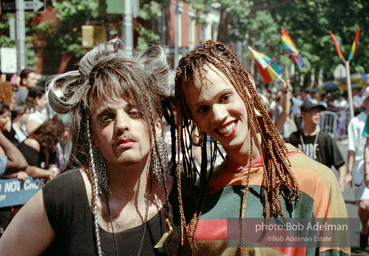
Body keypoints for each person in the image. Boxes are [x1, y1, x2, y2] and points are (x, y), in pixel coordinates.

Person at [0, 39, 181, 255]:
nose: (121, 125)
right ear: (93, 137)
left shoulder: (183, 198)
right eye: (106, 117)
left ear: (157, 126)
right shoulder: (67, 196)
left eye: (134, 112)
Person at [173, 40, 350, 255]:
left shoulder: (316, 180)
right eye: (203, 109)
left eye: (225, 97)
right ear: (195, 119)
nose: (218, 115)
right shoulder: (203, 189)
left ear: (247, 87)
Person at [288, 101, 347, 192]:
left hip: (321, 189)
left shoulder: (325, 138)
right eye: (314, 112)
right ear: (303, 114)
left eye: (319, 112)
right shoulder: (294, 137)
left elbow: (341, 164)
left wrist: (341, 181)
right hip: (299, 189)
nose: (318, 115)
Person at [347, 87, 369, 249]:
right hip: (361, 167)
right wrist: (349, 172)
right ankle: (364, 228)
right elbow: (351, 149)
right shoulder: (356, 122)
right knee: (363, 205)